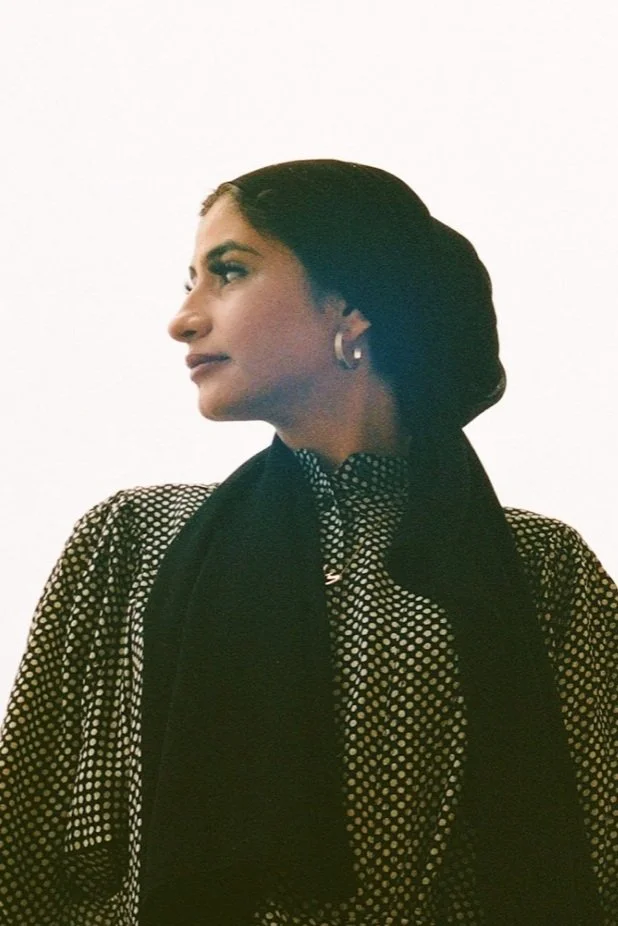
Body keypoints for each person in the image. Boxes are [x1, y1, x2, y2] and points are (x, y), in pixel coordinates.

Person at [0, 159, 615, 926]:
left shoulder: (540, 569)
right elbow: (22, 849)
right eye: (188, 280)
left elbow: (596, 859)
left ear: (350, 305)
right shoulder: (131, 542)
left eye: (228, 271)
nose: (184, 317)